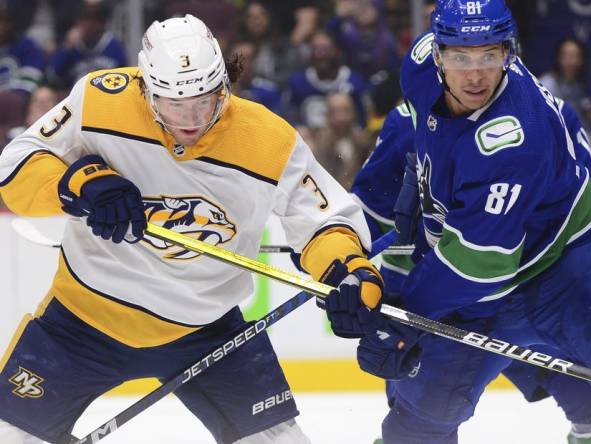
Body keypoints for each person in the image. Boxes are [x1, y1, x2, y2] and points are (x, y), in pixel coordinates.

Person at [326, 1, 591, 443]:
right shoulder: (418, 70)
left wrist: (406, 315)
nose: (475, 74)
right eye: (460, 57)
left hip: (565, 268)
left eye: (489, 56)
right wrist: (341, 260)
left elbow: (478, 268)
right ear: (436, 54)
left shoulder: (514, 136)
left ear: (509, 52)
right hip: (477, 278)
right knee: (417, 422)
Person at [0, 15, 383, 444]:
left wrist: (349, 271)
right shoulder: (100, 100)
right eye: (174, 103)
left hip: (207, 329)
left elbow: (323, 220)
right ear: (145, 87)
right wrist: (79, 182)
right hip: (80, 323)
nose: (192, 118)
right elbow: (17, 163)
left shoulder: (270, 140)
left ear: (224, 84)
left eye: (205, 100)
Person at [352, 98, 591, 443]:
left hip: (538, 289)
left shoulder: (548, 110)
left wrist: (586, 265)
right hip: (437, 300)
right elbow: (367, 214)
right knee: (418, 425)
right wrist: (335, 252)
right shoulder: (407, 121)